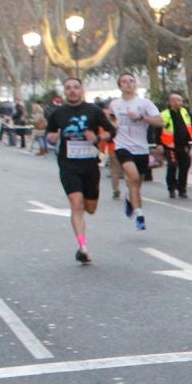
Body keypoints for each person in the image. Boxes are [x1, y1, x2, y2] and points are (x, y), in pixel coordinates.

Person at [40, 76, 116, 264]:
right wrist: (53, 137)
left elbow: (112, 131)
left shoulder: (94, 111)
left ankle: (83, 244)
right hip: (68, 165)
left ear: (81, 90)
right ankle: (83, 247)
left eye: (75, 87)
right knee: (76, 204)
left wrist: (97, 137)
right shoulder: (58, 113)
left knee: (90, 208)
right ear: (64, 91)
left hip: (90, 164)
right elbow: (49, 134)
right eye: (68, 88)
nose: (72, 90)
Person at [106, 72, 162, 231]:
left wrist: (142, 117)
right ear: (120, 86)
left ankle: (130, 199)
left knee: (137, 184)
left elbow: (160, 122)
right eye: (124, 81)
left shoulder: (145, 103)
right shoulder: (115, 104)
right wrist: (113, 125)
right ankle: (139, 215)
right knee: (133, 176)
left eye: (131, 81)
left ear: (135, 84)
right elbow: (110, 118)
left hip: (141, 148)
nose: (128, 84)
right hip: (122, 146)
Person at [159, 92, 192, 198]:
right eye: (177, 100)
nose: (180, 103)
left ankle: (182, 188)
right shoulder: (165, 114)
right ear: (171, 102)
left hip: (184, 145)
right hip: (170, 145)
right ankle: (171, 187)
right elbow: (158, 129)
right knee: (172, 165)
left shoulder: (186, 113)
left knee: (185, 166)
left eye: (180, 100)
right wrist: (159, 144)